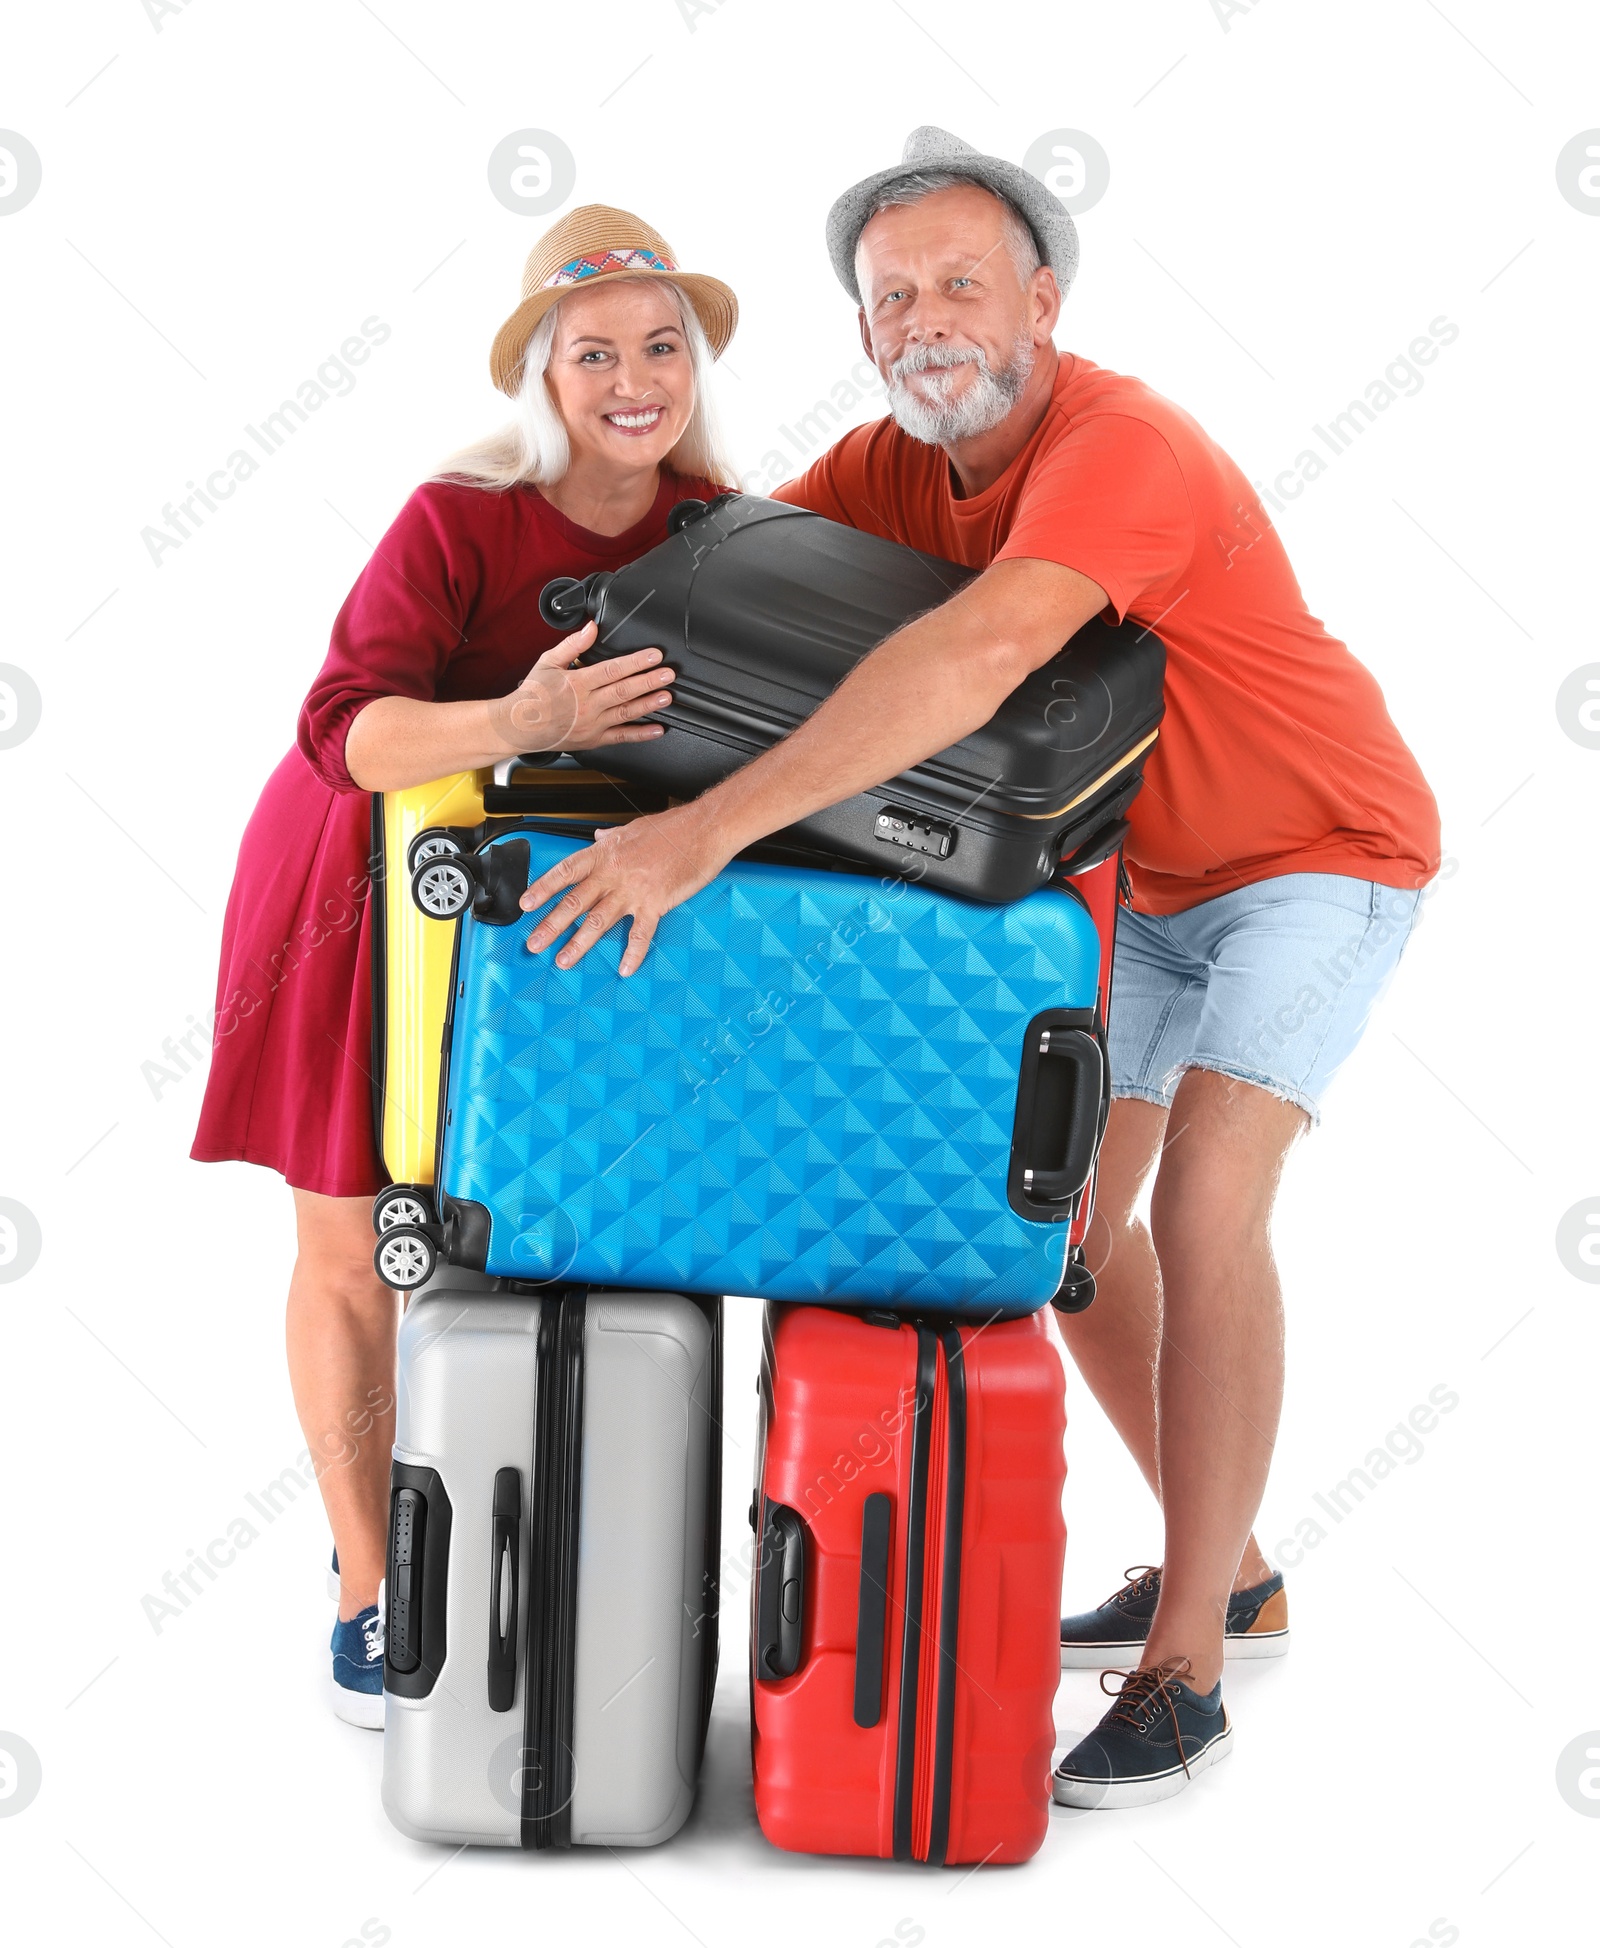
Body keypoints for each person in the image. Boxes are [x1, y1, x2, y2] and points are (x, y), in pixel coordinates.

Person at [518, 129, 1439, 1808]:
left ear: (1043, 299)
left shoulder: (1125, 444)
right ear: (865, 332)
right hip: (1143, 881)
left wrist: (701, 834)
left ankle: (1187, 1670)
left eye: (958, 281)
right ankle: (1224, 1565)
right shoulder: (892, 465)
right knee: (1061, 1232)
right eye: (891, 298)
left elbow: (982, 650)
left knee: (1205, 1205)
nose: (924, 316)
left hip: (1323, 854)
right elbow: (728, 576)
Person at [191, 205, 739, 1726]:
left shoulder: (723, 527)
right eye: (595, 353)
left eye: (660, 347)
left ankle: (552, 1577)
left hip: (555, 909)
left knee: (528, 1234)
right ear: (541, 377)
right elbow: (347, 729)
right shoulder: (460, 514)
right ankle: (370, 1590)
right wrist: (522, 721)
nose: (634, 378)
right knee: (358, 1241)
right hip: (356, 888)